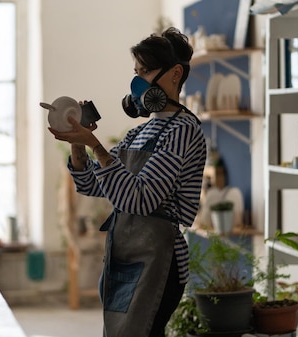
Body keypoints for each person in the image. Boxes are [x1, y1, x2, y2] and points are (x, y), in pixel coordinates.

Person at [48, 27, 207, 337]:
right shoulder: (138, 133)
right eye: (136, 72)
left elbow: (141, 199)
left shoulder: (183, 130)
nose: (137, 82)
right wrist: (77, 143)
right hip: (123, 256)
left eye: (145, 72)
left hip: (158, 260)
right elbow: (93, 185)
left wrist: (96, 145)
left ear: (175, 74)